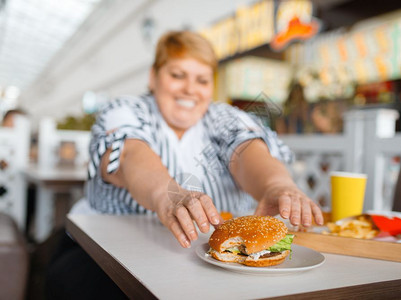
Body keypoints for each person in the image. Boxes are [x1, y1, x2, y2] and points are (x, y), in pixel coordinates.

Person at [47, 30, 323, 298]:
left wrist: (276, 186)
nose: (190, 89)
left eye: (202, 80)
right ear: (153, 77)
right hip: (101, 258)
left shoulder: (225, 117)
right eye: (178, 75)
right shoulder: (125, 110)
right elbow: (130, 155)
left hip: (213, 272)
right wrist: (167, 197)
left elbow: (248, 151)